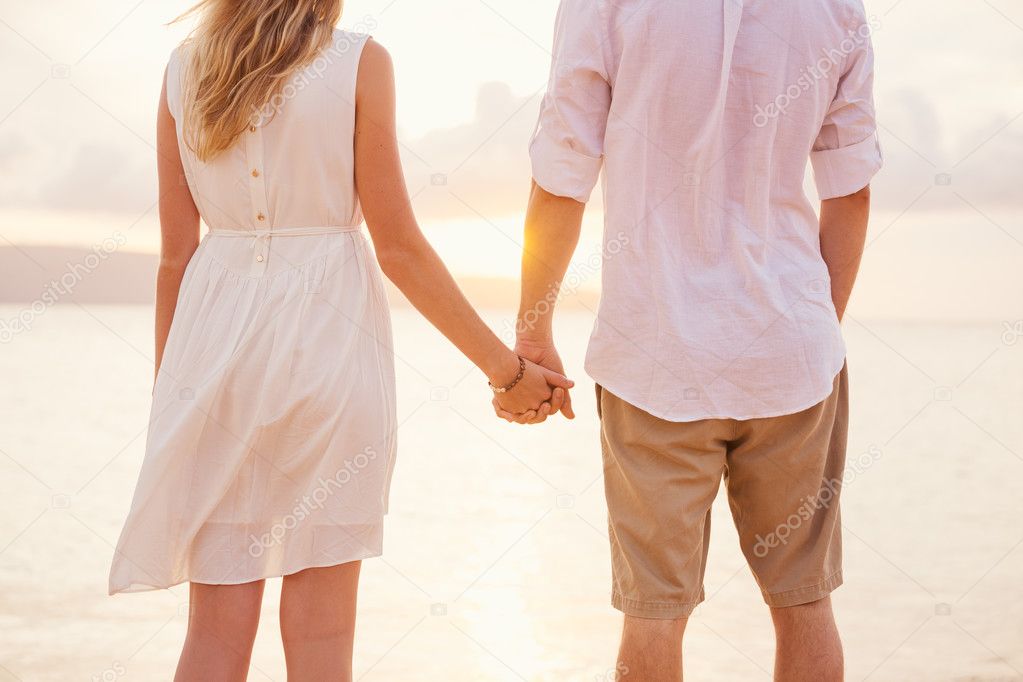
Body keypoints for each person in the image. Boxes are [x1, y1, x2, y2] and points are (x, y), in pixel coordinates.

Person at [107, 2, 572, 680]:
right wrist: (506, 372)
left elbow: (174, 259)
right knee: (323, 637)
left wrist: (167, 403)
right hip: (330, 352)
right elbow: (400, 249)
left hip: (211, 362)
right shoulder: (359, 60)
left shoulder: (185, 67)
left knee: (214, 635)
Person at [499, 1, 882, 680]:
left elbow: (563, 173)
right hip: (790, 350)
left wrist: (532, 334)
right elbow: (848, 191)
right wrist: (814, 327)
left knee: (652, 613)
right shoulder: (834, 8)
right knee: (804, 602)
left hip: (654, 348)